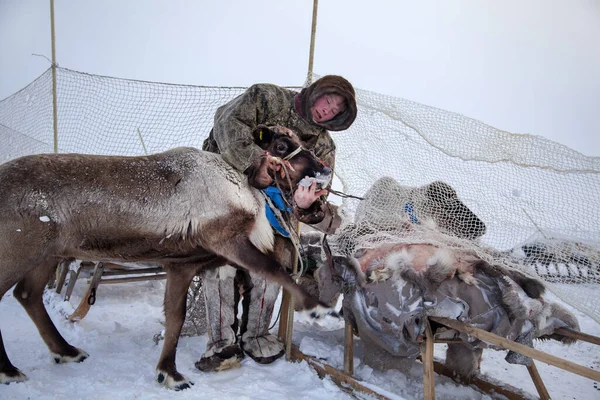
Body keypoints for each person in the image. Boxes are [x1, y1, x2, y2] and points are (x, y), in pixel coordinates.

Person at [195, 75, 357, 372]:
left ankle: (256, 335)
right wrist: (258, 166)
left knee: (273, 269)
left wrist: (306, 205)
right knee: (220, 265)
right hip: (226, 192)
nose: (328, 111)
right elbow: (227, 123)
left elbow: (318, 194)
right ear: (317, 92)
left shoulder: (323, 146)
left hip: (273, 213)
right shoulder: (267, 97)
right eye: (328, 101)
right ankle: (221, 344)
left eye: (336, 110)